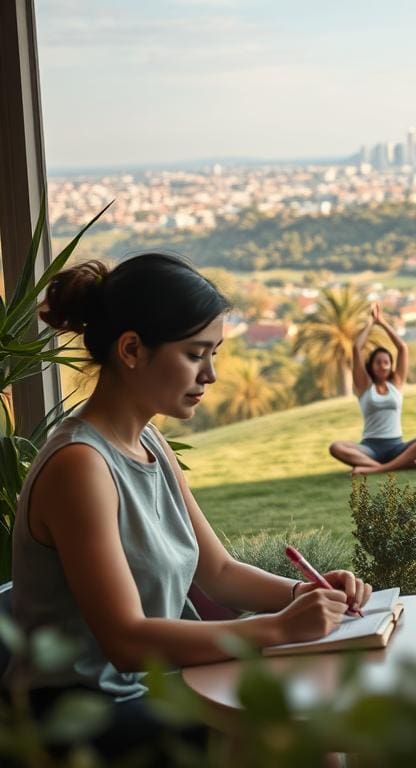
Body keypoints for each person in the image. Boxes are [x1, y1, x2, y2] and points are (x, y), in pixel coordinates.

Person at [3, 254, 372, 762]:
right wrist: (284, 627)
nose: (212, 374)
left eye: (214, 353)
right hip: (81, 713)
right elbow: (127, 641)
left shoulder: (150, 443)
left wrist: (309, 593)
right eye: (197, 354)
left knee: (317, 738)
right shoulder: (80, 467)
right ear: (132, 349)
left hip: (148, 688)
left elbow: (217, 571)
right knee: (303, 744)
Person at [328, 303, 416, 475]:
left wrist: (382, 322)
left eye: (386, 362)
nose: (382, 366)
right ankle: (397, 465)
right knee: (335, 447)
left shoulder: (396, 383)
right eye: (378, 362)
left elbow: (402, 348)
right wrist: (370, 324)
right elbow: (356, 349)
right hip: (370, 448)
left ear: (391, 366)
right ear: (371, 366)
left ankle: (378, 468)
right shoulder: (364, 386)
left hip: (396, 447)